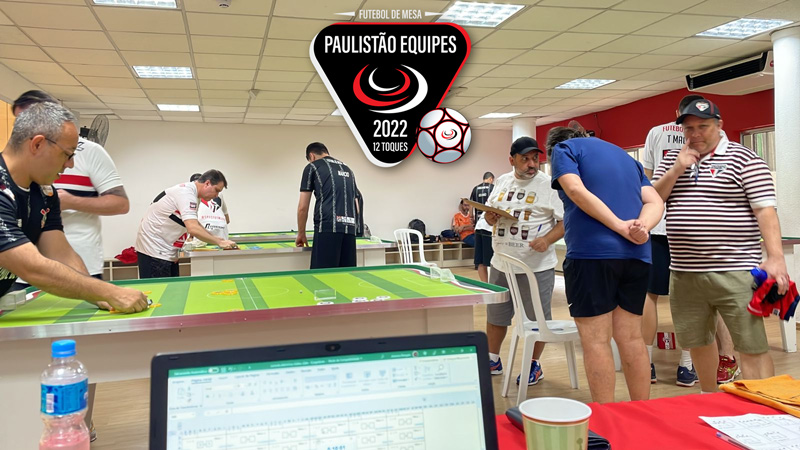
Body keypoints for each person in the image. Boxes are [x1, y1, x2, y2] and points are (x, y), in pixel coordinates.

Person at [652, 99, 785, 393]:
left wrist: (776, 258)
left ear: (719, 125)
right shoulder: (672, 159)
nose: (696, 133)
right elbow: (653, 200)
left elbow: (765, 211)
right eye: (689, 128)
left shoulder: (745, 159)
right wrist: (676, 169)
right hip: (685, 273)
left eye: (703, 126)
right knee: (697, 342)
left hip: (737, 270)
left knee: (751, 345)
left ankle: (766, 406)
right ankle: (709, 397)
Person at [549, 126, 664, 403]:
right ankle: (642, 411)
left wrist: (620, 226)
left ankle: (606, 415)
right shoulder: (627, 158)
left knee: (596, 340)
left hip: (591, 255)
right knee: (631, 338)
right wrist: (641, 227)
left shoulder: (564, 150)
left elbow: (574, 189)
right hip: (636, 256)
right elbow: (655, 201)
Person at [0, 102, 148, 314]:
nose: (70, 164)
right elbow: (29, 266)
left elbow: (59, 252)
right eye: (67, 154)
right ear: (37, 144)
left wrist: (99, 294)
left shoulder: (45, 193)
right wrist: (108, 292)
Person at [11, 90, 130, 285]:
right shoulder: (13, 166)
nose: (70, 164)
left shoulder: (90, 152)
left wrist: (70, 202)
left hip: (79, 261)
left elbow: (120, 204)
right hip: (22, 270)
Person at [482, 137, 564, 387]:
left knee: (536, 320)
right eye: (525, 159)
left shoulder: (549, 185)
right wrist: (491, 217)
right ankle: (492, 360)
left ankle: (533, 365)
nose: (532, 164)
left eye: (535, 159)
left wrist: (547, 240)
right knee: (496, 316)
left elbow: (566, 221)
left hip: (535, 266)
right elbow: (489, 216)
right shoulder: (502, 181)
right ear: (512, 160)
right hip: (501, 263)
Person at [135, 170, 236, 278]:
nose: (216, 195)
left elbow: (194, 223)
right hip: (154, 249)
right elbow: (193, 228)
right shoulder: (186, 193)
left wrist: (217, 238)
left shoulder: (194, 195)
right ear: (207, 183)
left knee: (172, 286)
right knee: (159, 287)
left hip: (166, 249)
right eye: (216, 190)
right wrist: (219, 242)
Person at [296, 142, 359, 269]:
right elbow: (356, 206)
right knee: (347, 275)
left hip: (327, 227)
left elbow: (303, 207)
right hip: (350, 229)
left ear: (311, 156)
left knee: (322, 276)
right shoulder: (348, 169)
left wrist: (301, 233)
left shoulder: (312, 167)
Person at [185, 172, 230, 248]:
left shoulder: (195, 196)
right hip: (209, 237)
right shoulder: (191, 195)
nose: (216, 195)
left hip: (205, 237)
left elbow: (192, 225)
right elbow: (192, 226)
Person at [471, 172, 494, 278]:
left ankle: (484, 284)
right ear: (491, 179)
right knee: (490, 260)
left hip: (479, 224)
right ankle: (491, 285)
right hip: (489, 227)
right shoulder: (493, 188)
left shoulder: (475, 188)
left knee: (480, 262)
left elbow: (471, 204)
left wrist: (471, 218)